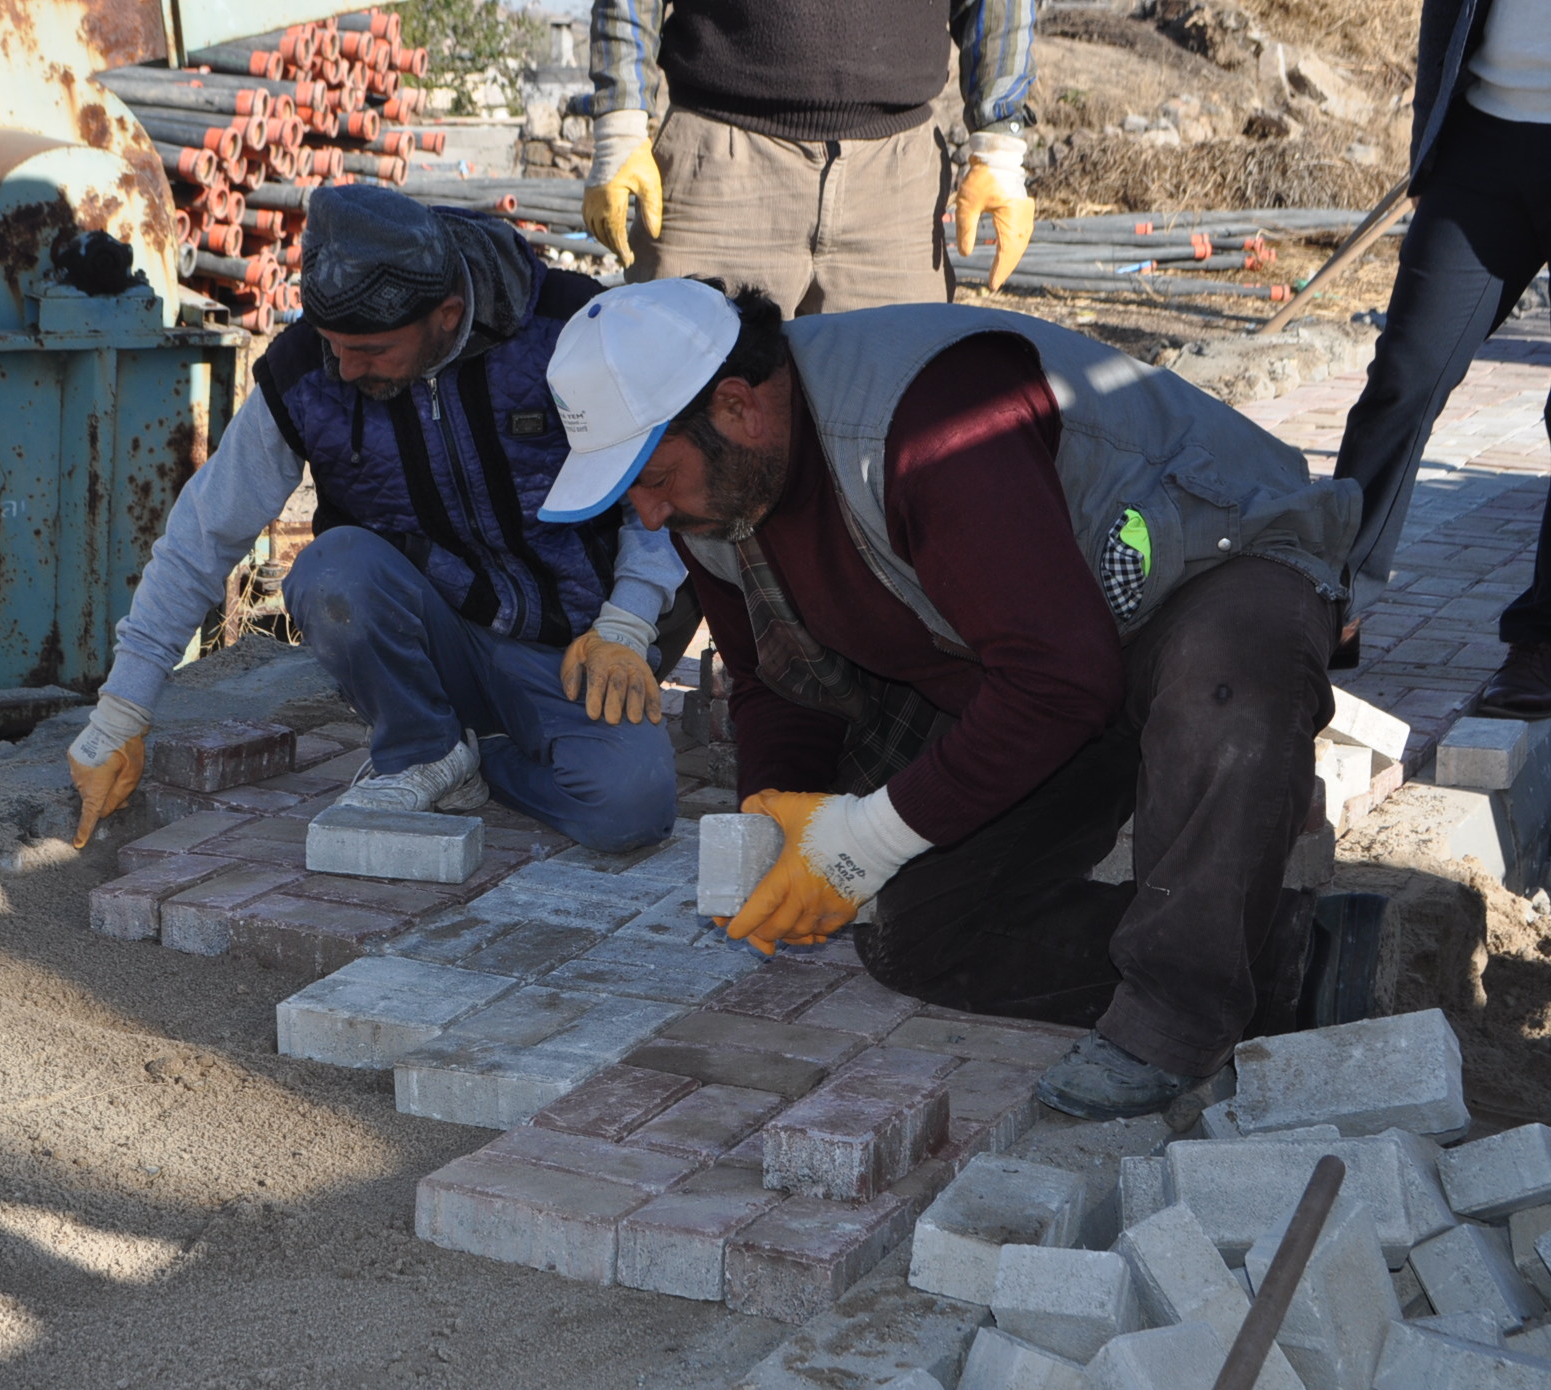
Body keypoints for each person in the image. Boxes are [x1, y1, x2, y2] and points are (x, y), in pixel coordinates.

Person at [539, 279, 1375, 1119]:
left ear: (737, 407)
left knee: (1219, 698)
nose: (646, 518)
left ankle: (1177, 1016)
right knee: (922, 935)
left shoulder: (929, 425)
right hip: (1037, 651)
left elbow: (1058, 678)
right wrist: (780, 813)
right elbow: (770, 675)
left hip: (1208, 567)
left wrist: (866, 836)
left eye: (652, 478)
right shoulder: (719, 503)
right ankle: (1311, 959)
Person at [68, 185, 685, 853]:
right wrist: (121, 711)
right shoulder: (307, 370)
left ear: (447, 315)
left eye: (371, 350)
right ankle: (424, 749)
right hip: (432, 640)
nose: (344, 366)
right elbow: (204, 532)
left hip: (573, 650)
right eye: (333, 344)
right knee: (333, 571)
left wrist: (628, 624)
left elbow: (661, 489)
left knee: (630, 810)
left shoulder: (568, 330)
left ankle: (484, 757)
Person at [1330, 0, 1550, 713]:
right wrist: (1429, 138)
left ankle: (1543, 642)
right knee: (1406, 374)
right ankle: (1334, 598)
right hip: (1482, 140)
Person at [579, 0, 1039, 313]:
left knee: (891, 425)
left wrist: (1000, 147)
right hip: (718, 167)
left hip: (895, 183)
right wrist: (620, 125)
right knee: (685, 418)